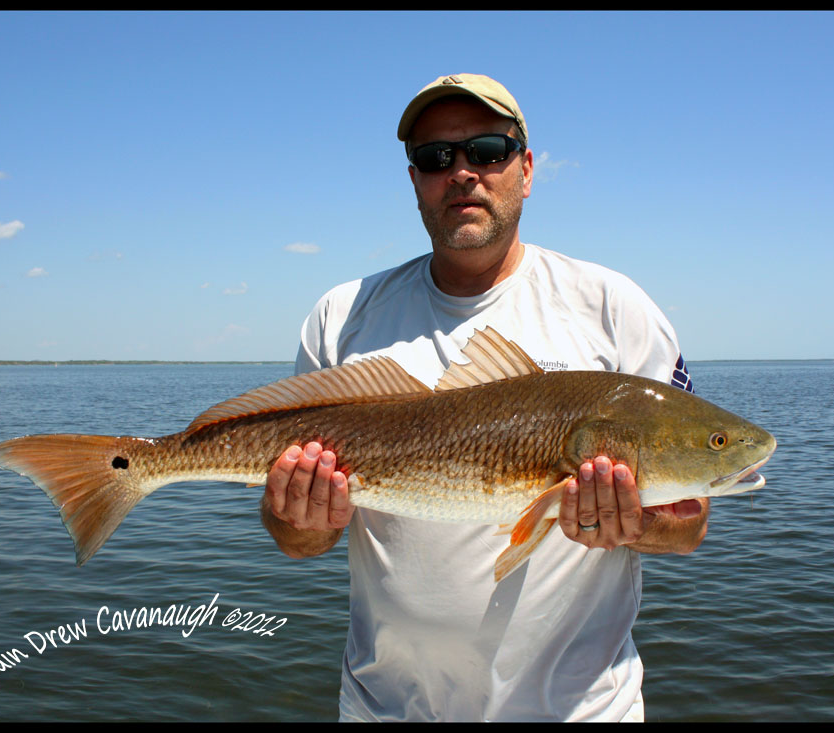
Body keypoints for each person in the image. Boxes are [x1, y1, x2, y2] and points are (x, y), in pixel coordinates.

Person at [258, 73, 707, 722]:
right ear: (414, 180)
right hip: (385, 709)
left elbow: (690, 523)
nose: (463, 172)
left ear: (527, 169)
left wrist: (637, 521)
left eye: (488, 150)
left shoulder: (615, 308)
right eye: (436, 158)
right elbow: (295, 540)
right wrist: (299, 518)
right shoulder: (341, 316)